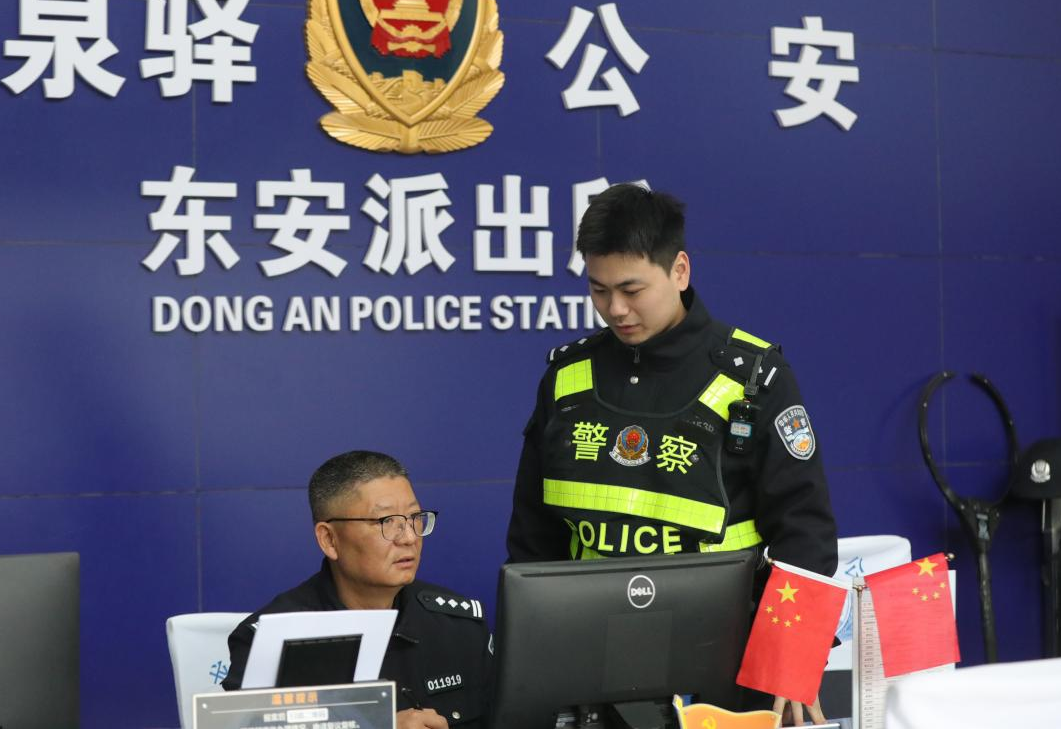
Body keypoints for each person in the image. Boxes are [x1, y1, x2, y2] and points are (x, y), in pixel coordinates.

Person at [505, 183, 837, 725]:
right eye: (598, 290)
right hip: (591, 656)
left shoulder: (754, 378)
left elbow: (806, 527)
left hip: (726, 660)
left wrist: (795, 654)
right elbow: (532, 534)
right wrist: (533, 659)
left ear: (679, 271)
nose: (615, 309)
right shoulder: (567, 376)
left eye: (631, 289)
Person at [223, 450, 491, 729]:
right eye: (386, 521)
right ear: (329, 540)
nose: (410, 537)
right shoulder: (272, 644)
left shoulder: (459, 627)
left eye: (414, 517)